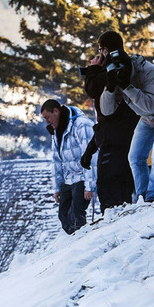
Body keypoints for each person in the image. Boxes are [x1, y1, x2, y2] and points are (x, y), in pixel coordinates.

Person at [99, 32, 154, 202]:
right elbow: (107, 111)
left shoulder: (148, 71)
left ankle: (153, 195)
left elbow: (150, 105)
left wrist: (128, 86)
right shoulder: (114, 75)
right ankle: (142, 195)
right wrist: (110, 88)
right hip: (149, 118)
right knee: (135, 157)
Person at [81, 32, 140, 210]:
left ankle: (112, 220)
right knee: (124, 184)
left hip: (114, 138)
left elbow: (92, 90)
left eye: (100, 50)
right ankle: (124, 217)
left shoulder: (113, 67)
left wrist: (92, 69)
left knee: (108, 186)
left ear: (105, 49)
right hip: (128, 134)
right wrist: (90, 149)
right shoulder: (125, 63)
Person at [40, 99, 96, 234]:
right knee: (63, 216)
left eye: (48, 117)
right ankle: (74, 241)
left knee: (77, 214)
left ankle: (83, 241)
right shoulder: (56, 132)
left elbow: (92, 156)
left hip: (82, 177)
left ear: (56, 111)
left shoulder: (82, 125)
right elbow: (56, 161)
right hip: (68, 179)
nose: (47, 121)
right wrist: (57, 187)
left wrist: (90, 186)